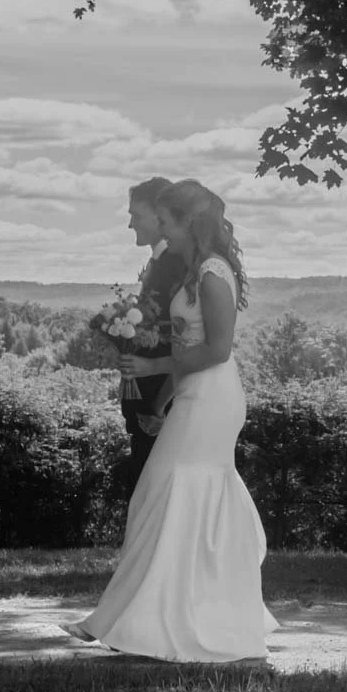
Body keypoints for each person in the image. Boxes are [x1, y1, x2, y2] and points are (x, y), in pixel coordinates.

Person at [62, 179, 279, 663]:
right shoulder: (191, 271)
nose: (158, 227)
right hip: (192, 395)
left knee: (170, 494)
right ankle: (145, 615)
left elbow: (218, 351)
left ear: (185, 222)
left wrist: (153, 369)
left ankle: (163, 618)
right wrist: (163, 398)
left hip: (214, 398)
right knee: (161, 499)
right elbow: (188, 346)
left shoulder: (212, 273)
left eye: (164, 220)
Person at [117, 177, 186, 501]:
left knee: (155, 498)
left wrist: (159, 407)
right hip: (146, 408)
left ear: (160, 216)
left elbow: (184, 343)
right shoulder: (158, 263)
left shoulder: (175, 266)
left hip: (161, 409)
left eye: (137, 215)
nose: (130, 223)